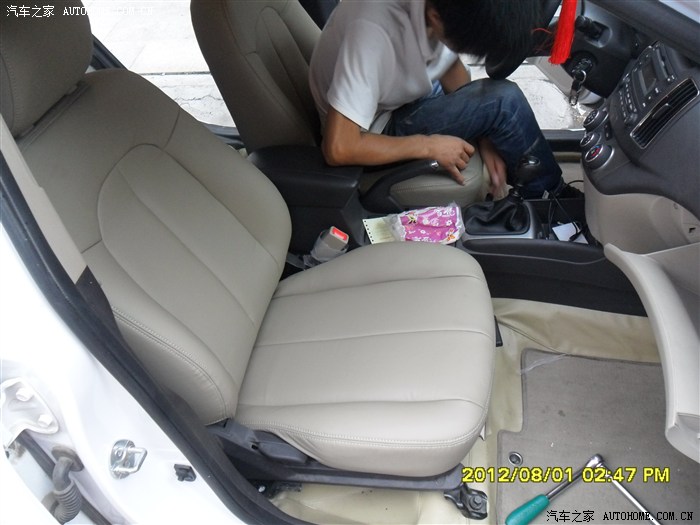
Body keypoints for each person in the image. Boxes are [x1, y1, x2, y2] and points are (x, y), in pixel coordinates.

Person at [309, 0, 569, 199]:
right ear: (435, 17)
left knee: (495, 107)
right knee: (505, 102)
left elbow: (448, 65)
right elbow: (338, 147)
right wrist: (428, 146)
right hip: (373, 127)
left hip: (397, 96)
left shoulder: (441, 9)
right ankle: (553, 199)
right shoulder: (372, 33)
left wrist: (484, 135)